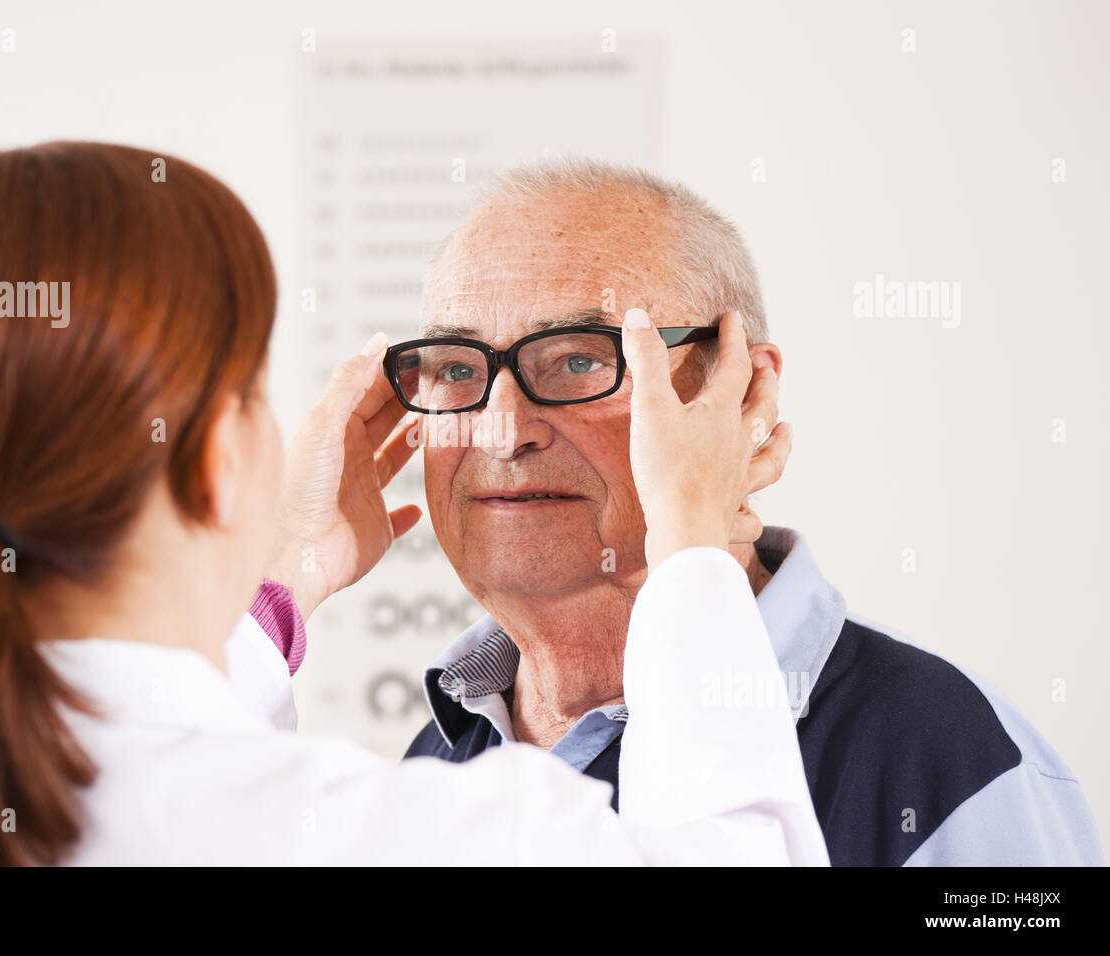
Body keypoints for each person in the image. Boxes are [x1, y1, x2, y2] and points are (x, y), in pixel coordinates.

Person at [0, 142, 826, 866]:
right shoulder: (374, 824)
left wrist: (287, 575)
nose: (503, 427)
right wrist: (694, 546)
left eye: (578, 360)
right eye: (254, 386)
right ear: (216, 455)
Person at [345, 157, 1100, 866]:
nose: (503, 432)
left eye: (580, 360)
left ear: (743, 395)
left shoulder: (946, 755)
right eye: (454, 368)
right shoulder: (442, 753)